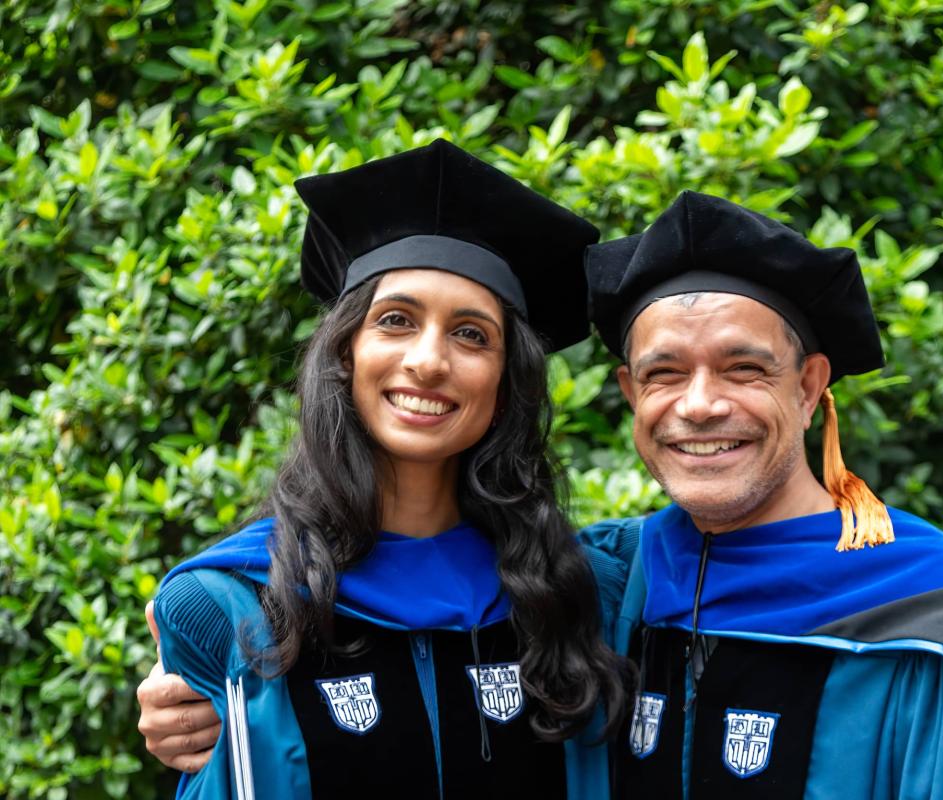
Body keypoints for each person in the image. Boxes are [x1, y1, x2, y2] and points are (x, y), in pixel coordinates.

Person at [145, 139, 632, 800]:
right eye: (396, 321)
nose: (429, 361)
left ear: (504, 382)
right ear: (345, 354)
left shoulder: (583, 594)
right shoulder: (232, 604)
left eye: (471, 333)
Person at [582, 190, 943, 799]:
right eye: (664, 374)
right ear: (631, 393)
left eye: (744, 369)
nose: (699, 405)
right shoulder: (614, 586)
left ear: (808, 387)